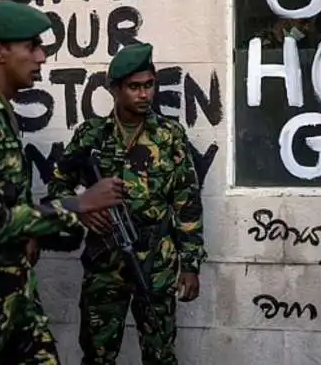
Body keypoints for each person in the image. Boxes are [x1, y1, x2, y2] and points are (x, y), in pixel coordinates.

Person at [0, 0, 124, 364]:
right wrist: (77, 206)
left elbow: (10, 202)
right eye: (32, 46)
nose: (42, 57)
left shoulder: (1, 115)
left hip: (15, 287)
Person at [48, 42, 207, 365]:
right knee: (97, 354)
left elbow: (187, 203)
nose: (144, 94)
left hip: (155, 264)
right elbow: (56, 186)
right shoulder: (92, 135)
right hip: (104, 263)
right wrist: (82, 211)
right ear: (115, 90)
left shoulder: (169, 135)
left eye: (149, 85)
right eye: (134, 87)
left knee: (160, 354)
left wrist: (190, 266)